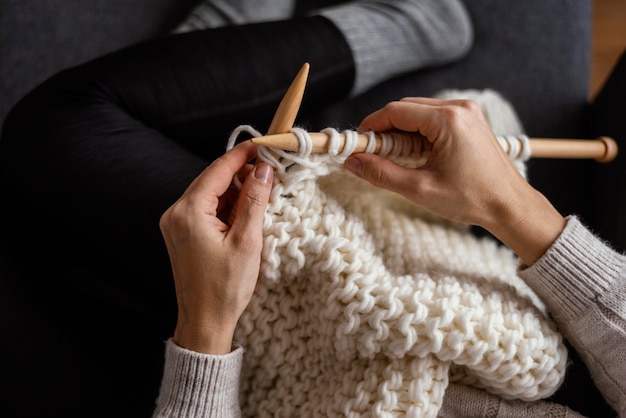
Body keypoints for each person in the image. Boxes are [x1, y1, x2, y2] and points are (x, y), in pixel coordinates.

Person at [0, 1, 474, 416]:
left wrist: (206, 328)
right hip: (408, 286)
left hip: (291, 331)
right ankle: (232, 31)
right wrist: (510, 208)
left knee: (51, 133)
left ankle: (246, 27)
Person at [155, 98, 626, 417]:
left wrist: (205, 327)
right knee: (86, 117)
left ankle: (398, 28)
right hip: (351, 263)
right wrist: (512, 206)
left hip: (249, 333)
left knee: (85, 117)